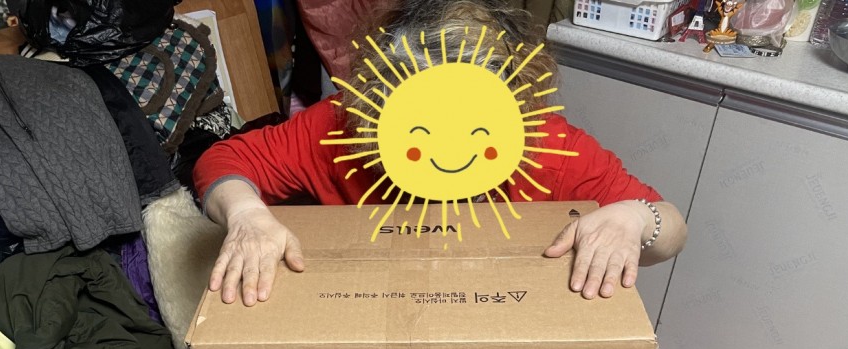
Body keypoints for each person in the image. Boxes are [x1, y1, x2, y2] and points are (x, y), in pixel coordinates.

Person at [193, 0, 687, 306]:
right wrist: (247, 215)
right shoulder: (339, 125)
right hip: (369, 305)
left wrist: (634, 220)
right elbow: (221, 161)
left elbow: (671, 229)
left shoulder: (547, 146)